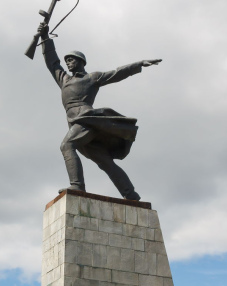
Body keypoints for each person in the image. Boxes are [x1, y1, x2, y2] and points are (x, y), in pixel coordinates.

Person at [37, 24, 161, 201]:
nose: (68, 63)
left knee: (67, 146)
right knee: (105, 162)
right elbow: (52, 62)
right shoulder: (64, 79)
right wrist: (45, 37)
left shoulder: (92, 77)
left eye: (71, 60)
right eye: (67, 61)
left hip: (86, 119)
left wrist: (138, 64)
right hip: (74, 122)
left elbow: (116, 73)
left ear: (81, 61)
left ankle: (77, 185)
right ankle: (130, 194)